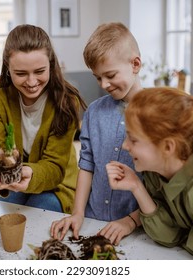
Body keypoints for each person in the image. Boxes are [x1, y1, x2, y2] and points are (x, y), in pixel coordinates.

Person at [106, 87, 193, 260]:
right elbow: (168, 236)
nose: (125, 146)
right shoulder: (156, 170)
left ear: (168, 147)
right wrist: (136, 186)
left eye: (133, 139)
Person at [50, 22, 142, 245]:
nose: (104, 84)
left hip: (136, 228)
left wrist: (130, 221)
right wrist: (78, 212)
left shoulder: (158, 114)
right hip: (93, 219)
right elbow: (87, 164)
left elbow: (161, 188)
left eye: (110, 75)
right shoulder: (94, 111)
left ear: (135, 64)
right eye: (98, 78)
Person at [0, 24, 87, 213]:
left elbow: (55, 167)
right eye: (20, 73)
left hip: (58, 184)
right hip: (12, 180)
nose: (31, 82)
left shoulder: (67, 100)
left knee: (37, 216)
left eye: (39, 71)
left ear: (52, 65)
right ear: (7, 68)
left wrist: (30, 173)